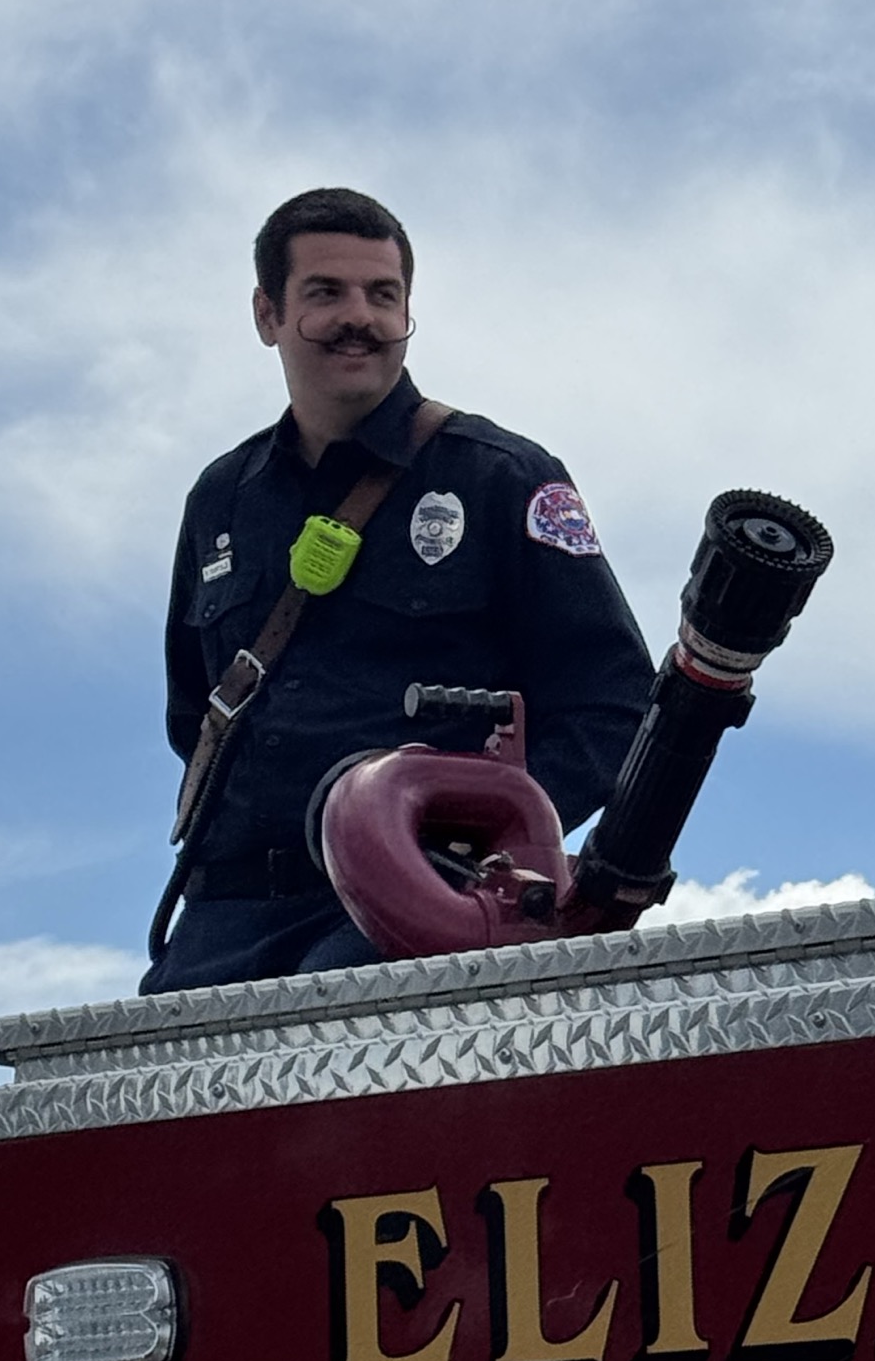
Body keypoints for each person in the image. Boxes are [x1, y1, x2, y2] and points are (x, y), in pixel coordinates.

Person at [144, 185, 655, 996]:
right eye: (325, 293)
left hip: (415, 908)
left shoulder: (501, 477)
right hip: (225, 920)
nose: (361, 317)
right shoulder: (221, 499)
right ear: (266, 314)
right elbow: (191, 712)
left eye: (384, 296)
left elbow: (616, 706)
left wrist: (489, 839)